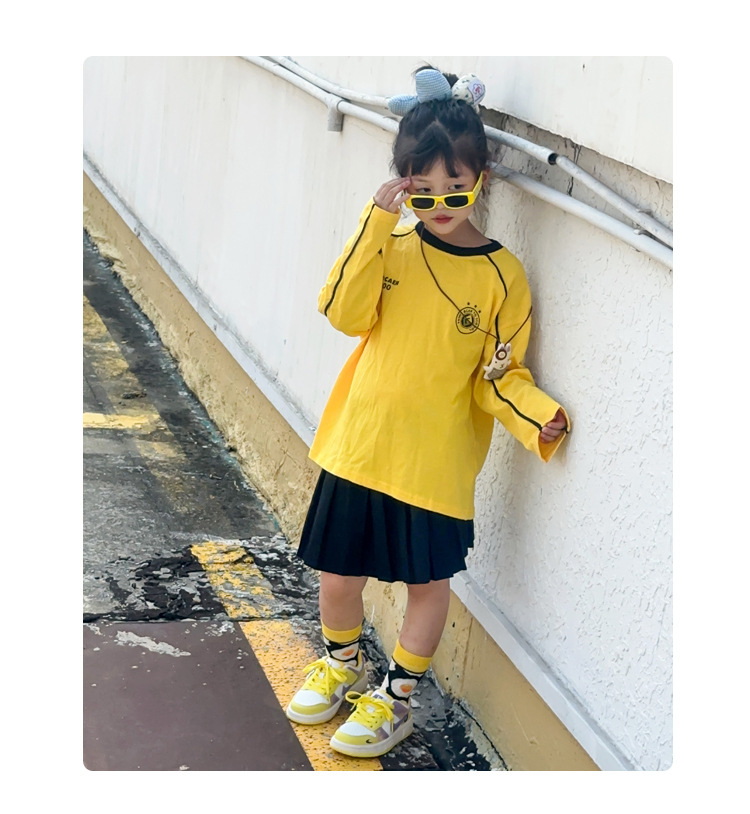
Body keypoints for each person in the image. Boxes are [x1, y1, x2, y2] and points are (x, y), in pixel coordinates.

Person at [285, 66, 570, 759]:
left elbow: (498, 375)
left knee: (426, 584)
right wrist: (376, 223)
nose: (440, 204)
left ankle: (398, 697)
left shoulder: (503, 275)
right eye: (422, 190)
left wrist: (536, 415)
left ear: (483, 178)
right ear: (402, 184)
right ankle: (343, 663)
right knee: (337, 575)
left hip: (434, 462)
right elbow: (342, 311)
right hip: (361, 446)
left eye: (456, 187)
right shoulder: (392, 244)